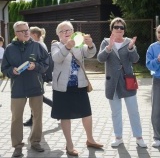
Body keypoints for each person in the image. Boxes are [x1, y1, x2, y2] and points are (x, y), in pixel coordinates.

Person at [51, 21, 103, 156]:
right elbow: (56, 58)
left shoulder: (79, 44)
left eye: (69, 30)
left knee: (86, 113)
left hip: (79, 84)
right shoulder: (56, 45)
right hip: (62, 87)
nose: (67, 32)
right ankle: (69, 145)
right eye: (63, 31)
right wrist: (67, 47)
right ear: (58, 35)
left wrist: (90, 44)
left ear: (73, 32)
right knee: (65, 116)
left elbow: (90, 53)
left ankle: (90, 140)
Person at [1, 21, 49, 157]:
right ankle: (17, 145)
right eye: (22, 31)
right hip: (18, 88)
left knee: (37, 116)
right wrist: (12, 71)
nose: (26, 32)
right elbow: (4, 68)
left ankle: (35, 142)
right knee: (16, 118)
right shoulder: (10, 48)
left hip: (35, 86)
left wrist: (36, 66)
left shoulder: (37, 46)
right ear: (16, 33)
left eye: (27, 29)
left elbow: (46, 63)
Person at [97, 17, 147, 148]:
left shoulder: (129, 42)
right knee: (116, 112)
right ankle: (118, 137)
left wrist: (131, 48)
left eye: (121, 27)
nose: (119, 29)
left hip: (127, 81)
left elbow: (135, 59)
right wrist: (109, 47)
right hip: (112, 82)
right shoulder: (106, 42)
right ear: (112, 29)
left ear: (124, 30)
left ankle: (139, 137)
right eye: (116, 27)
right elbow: (100, 59)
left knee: (133, 111)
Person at [23, 26, 53, 127]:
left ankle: (56, 108)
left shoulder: (39, 45)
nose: (27, 36)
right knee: (36, 97)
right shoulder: (38, 44)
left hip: (39, 75)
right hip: (36, 74)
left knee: (37, 97)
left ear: (34, 35)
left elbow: (43, 62)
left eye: (29, 34)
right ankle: (32, 118)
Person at [146, 25, 160, 147]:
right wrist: (158, 60)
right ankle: (157, 137)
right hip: (158, 81)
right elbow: (149, 65)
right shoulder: (153, 47)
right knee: (156, 109)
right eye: (159, 32)